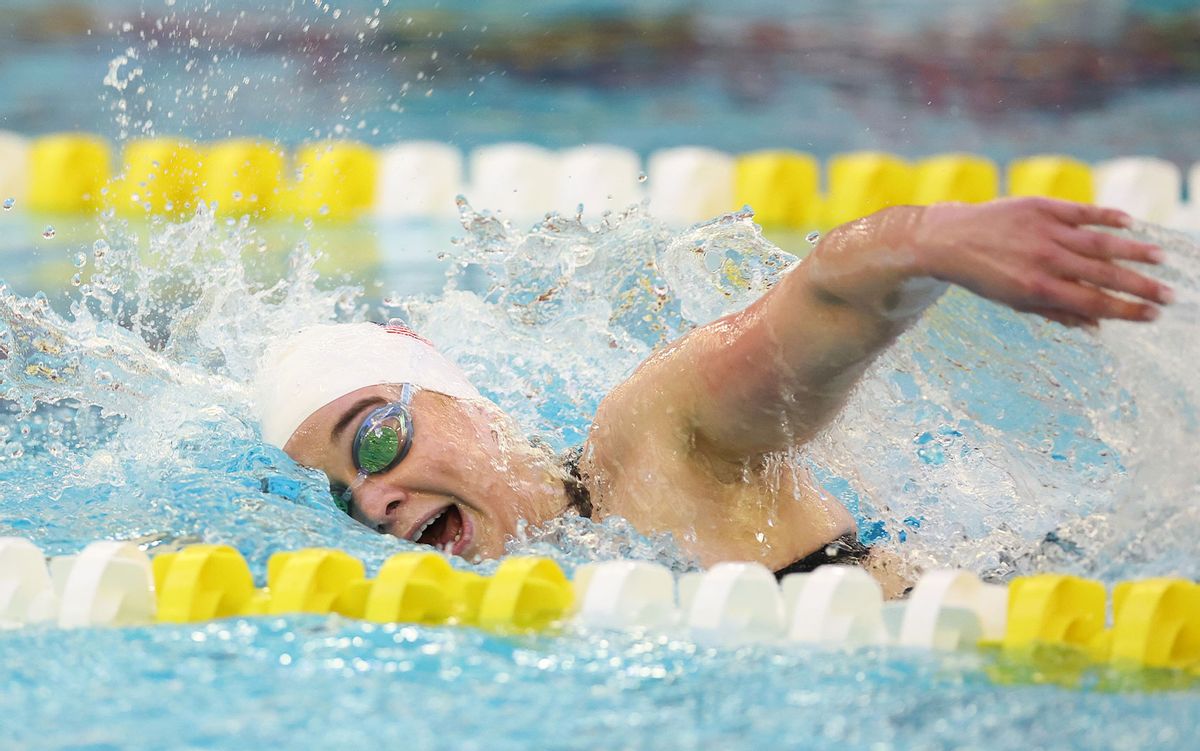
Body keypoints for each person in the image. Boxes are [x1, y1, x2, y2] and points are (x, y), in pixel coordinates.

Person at [255, 198, 1172, 592]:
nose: (373, 499)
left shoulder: (655, 443)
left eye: (373, 440)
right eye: (345, 493)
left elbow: (817, 298)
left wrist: (932, 240)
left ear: (462, 401)